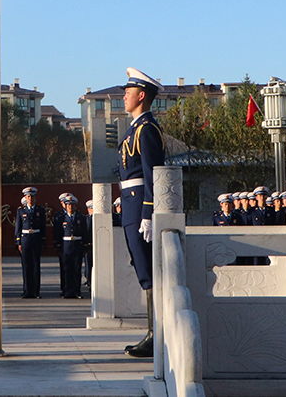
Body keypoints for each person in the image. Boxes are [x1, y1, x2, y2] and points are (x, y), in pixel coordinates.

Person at [118, 67, 165, 358]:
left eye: (128, 92)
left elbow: (152, 174)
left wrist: (148, 211)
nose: (124, 96)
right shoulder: (134, 128)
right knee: (142, 269)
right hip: (130, 204)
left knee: (149, 271)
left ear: (142, 95)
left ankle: (155, 335)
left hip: (140, 207)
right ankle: (153, 332)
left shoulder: (146, 129)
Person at [15, 187, 45, 298]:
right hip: (25, 239)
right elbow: (18, 228)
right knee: (26, 266)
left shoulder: (40, 210)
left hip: (36, 238)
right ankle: (27, 290)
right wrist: (18, 242)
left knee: (36, 266)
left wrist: (43, 241)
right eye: (28, 197)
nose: (30, 199)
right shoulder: (21, 211)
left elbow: (43, 228)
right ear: (25, 198)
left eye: (32, 196)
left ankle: (36, 291)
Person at [54, 194, 86, 299]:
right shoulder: (61, 218)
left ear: (75, 206)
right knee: (67, 270)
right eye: (68, 205)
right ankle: (68, 291)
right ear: (65, 206)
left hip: (77, 246)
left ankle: (77, 291)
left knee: (77, 270)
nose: (70, 207)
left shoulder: (81, 218)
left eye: (72, 205)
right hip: (66, 247)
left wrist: (85, 247)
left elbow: (85, 233)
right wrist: (58, 247)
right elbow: (58, 234)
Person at [83, 199, 94, 288]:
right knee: (88, 264)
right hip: (88, 245)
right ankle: (89, 280)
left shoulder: (98, 219)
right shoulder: (85, 219)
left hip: (97, 245)